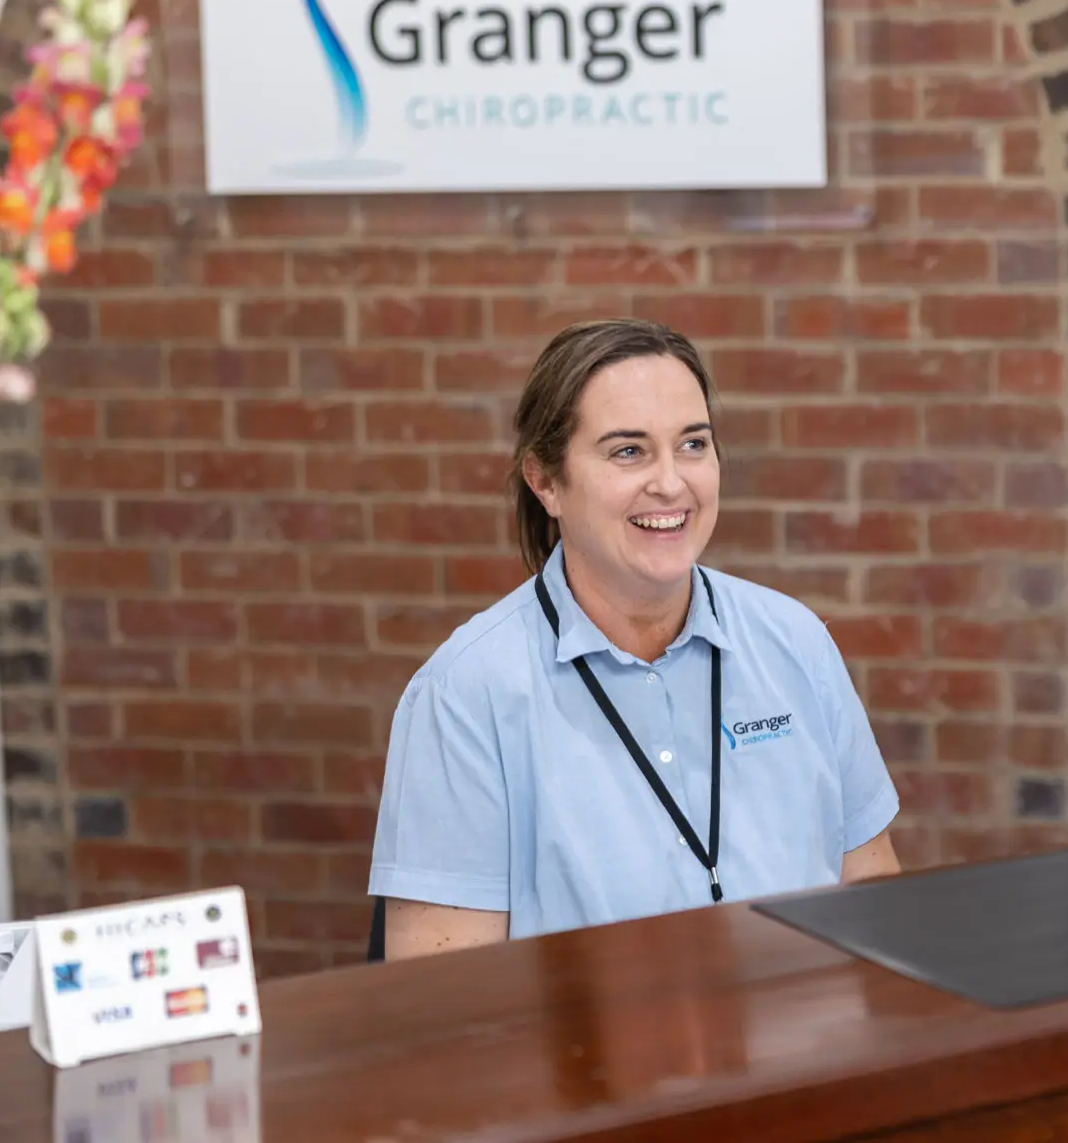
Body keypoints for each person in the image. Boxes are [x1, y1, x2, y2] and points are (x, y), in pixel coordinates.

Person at [369, 319, 901, 958]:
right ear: (545, 481)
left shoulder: (798, 644)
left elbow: (875, 909)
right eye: (629, 451)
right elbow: (441, 998)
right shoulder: (464, 697)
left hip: (808, 1049)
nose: (671, 483)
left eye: (693, 444)